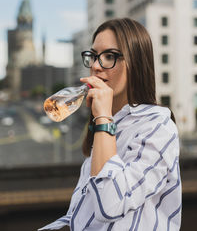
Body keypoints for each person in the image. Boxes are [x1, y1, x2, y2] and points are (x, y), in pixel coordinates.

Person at [39, 18, 182, 231]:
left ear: (135, 63)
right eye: (94, 56)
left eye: (109, 56)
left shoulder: (158, 125)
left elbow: (109, 205)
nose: (96, 66)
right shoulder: (108, 125)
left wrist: (103, 118)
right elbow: (84, 213)